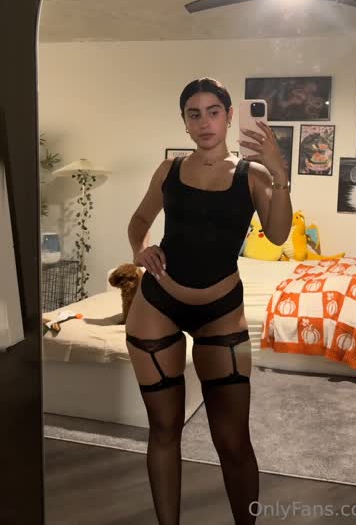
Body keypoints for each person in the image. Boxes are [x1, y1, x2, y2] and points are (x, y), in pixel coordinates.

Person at [125, 77, 293, 525]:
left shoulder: (253, 175)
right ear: (184, 122)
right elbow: (140, 219)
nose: (204, 122)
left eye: (213, 112)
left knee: (233, 441)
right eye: (194, 114)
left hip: (221, 311)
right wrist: (140, 248)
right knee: (164, 429)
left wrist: (279, 171)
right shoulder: (169, 170)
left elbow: (278, 235)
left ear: (230, 116)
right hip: (158, 304)